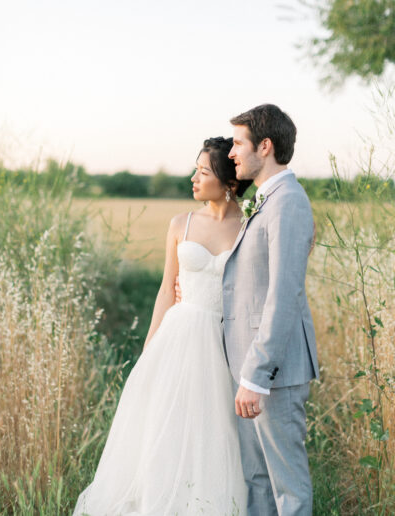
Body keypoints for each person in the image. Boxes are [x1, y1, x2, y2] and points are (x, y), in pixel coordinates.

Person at [73, 137, 252, 516]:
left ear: (229, 182)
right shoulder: (180, 224)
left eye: (203, 171)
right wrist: (149, 347)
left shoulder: (250, 228)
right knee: (163, 426)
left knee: (212, 429)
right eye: (196, 169)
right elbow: (164, 292)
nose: (194, 178)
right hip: (178, 335)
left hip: (222, 343)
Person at [225, 104, 319, 516]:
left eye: (238, 142)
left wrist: (257, 376)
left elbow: (283, 296)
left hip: (273, 373)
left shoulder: (288, 203)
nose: (231, 152)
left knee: (287, 489)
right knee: (257, 480)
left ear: (265, 146)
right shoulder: (267, 199)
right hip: (252, 368)